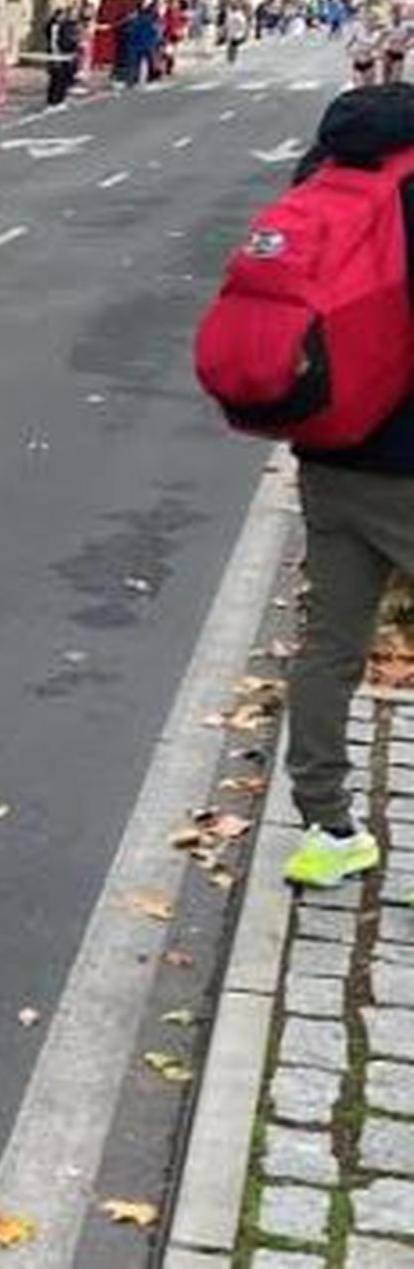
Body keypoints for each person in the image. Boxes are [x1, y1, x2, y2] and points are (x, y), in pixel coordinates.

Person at [281, 88, 414, 891]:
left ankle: (326, 824)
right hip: (407, 462)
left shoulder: (313, 185)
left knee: (330, 644)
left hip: (328, 457)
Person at [348, 15, 381, 88]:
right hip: (357, 62)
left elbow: (378, 49)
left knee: (369, 87)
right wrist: (352, 53)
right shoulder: (358, 31)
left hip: (369, 64)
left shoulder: (377, 34)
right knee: (359, 87)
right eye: (368, 21)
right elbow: (348, 45)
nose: (370, 24)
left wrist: (376, 55)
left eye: (372, 22)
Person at [224, 1, 249, 66]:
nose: (231, 7)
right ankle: (230, 61)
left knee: (233, 48)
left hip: (236, 35)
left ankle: (233, 61)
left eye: (233, 6)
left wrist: (244, 34)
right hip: (231, 35)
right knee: (230, 48)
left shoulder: (238, 15)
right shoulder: (230, 14)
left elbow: (244, 25)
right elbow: (227, 25)